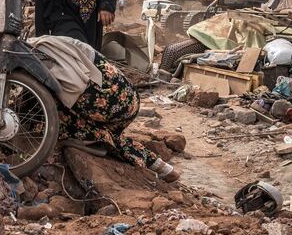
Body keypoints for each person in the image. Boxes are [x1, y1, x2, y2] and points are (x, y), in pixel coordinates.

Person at [28, 34, 181, 183]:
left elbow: (73, 87)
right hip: (125, 95)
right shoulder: (44, 42)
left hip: (112, 98)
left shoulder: (41, 50)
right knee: (111, 136)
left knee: (53, 123)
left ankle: (96, 141)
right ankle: (164, 168)